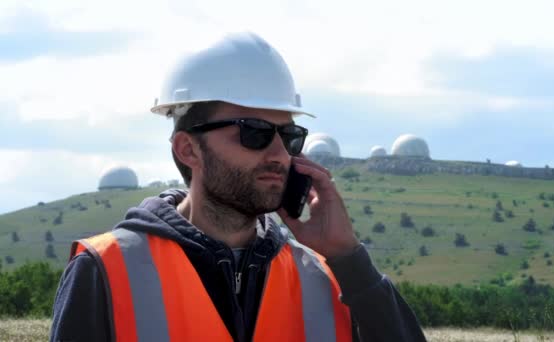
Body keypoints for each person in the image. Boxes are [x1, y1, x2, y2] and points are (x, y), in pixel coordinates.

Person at [50, 32, 426, 342]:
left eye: (290, 136)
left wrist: (348, 257)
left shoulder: (329, 276)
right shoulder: (107, 270)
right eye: (255, 132)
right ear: (187, 149)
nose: (280, 153)